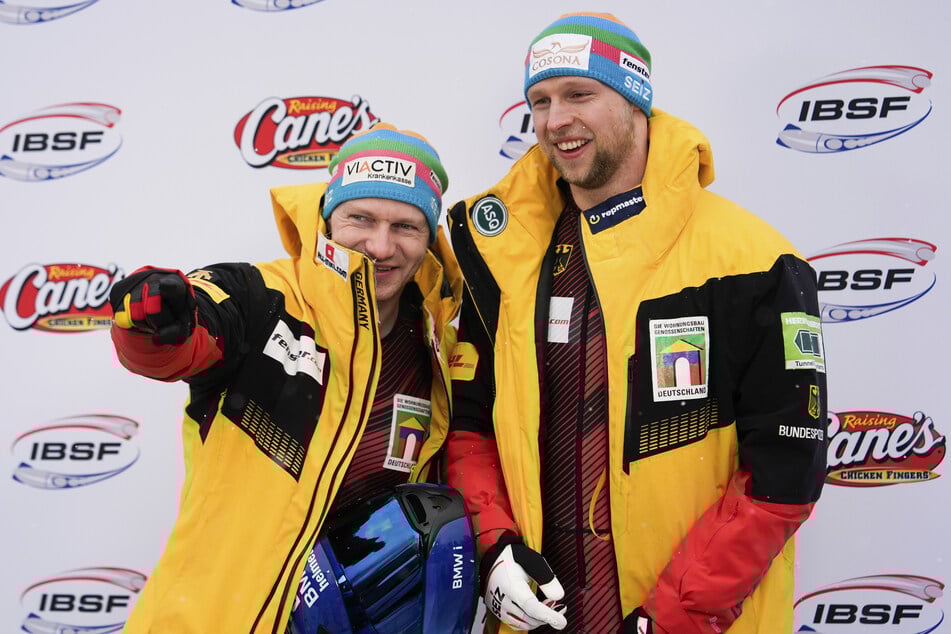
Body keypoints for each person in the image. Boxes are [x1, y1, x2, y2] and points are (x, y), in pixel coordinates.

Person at [445, 12, 828, 634]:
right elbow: (469, 428)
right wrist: (496, 549)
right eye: (539, 101)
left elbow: (785, 475)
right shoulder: (506, 256)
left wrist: (675, 615)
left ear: (634, 102)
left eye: (579, 94)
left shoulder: (754, 260)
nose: (555, 120)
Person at [108, 123, 468, 632]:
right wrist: (154, 319)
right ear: (327, 218)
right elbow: (184, 341)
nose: (380, 246)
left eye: (406, 226)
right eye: (360, 218)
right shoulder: (263, 299)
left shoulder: (436, 350)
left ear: (429, 236)